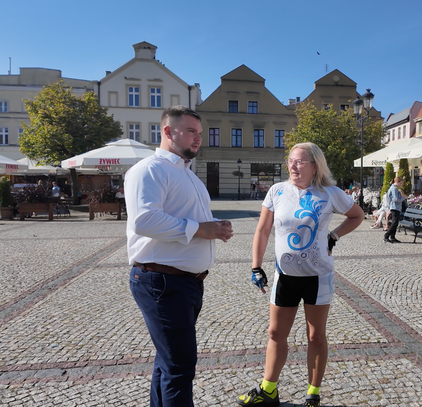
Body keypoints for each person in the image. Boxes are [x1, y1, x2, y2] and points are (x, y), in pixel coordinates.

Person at [237, 142, 365, 407]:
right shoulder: (277, 191)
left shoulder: (329, 193)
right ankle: (268, 390)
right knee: (275, 333)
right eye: (290, 161)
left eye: (299, 162)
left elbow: (357, 215)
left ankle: (312, 394)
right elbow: (262, 230)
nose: (292, 166)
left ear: (314, 166)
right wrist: (255, 266)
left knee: (315, 336)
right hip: (285, 276)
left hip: (318, 278)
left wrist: (334, 234)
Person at [125, 106, 233, 407]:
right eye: (190, 131)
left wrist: (216, 229)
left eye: (199, 133)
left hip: (185, 283)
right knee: (180, 366)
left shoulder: (188, 175)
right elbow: (144, 220)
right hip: (161, 280)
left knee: (169, 362)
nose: (198, 138)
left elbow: (193, 222)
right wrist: (201, 229)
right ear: (168, 132)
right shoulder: (150, 169)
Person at [384, 177, 404, 243]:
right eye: (400, 183)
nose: (401, 184)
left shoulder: (393, 188)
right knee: (394, 223)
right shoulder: (394, 189)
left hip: (395, 207)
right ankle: (386, 236)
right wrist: (403, 198)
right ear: (397, 182)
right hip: (395, 207)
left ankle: (392, 237)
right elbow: (395, 199)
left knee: (395, 223)